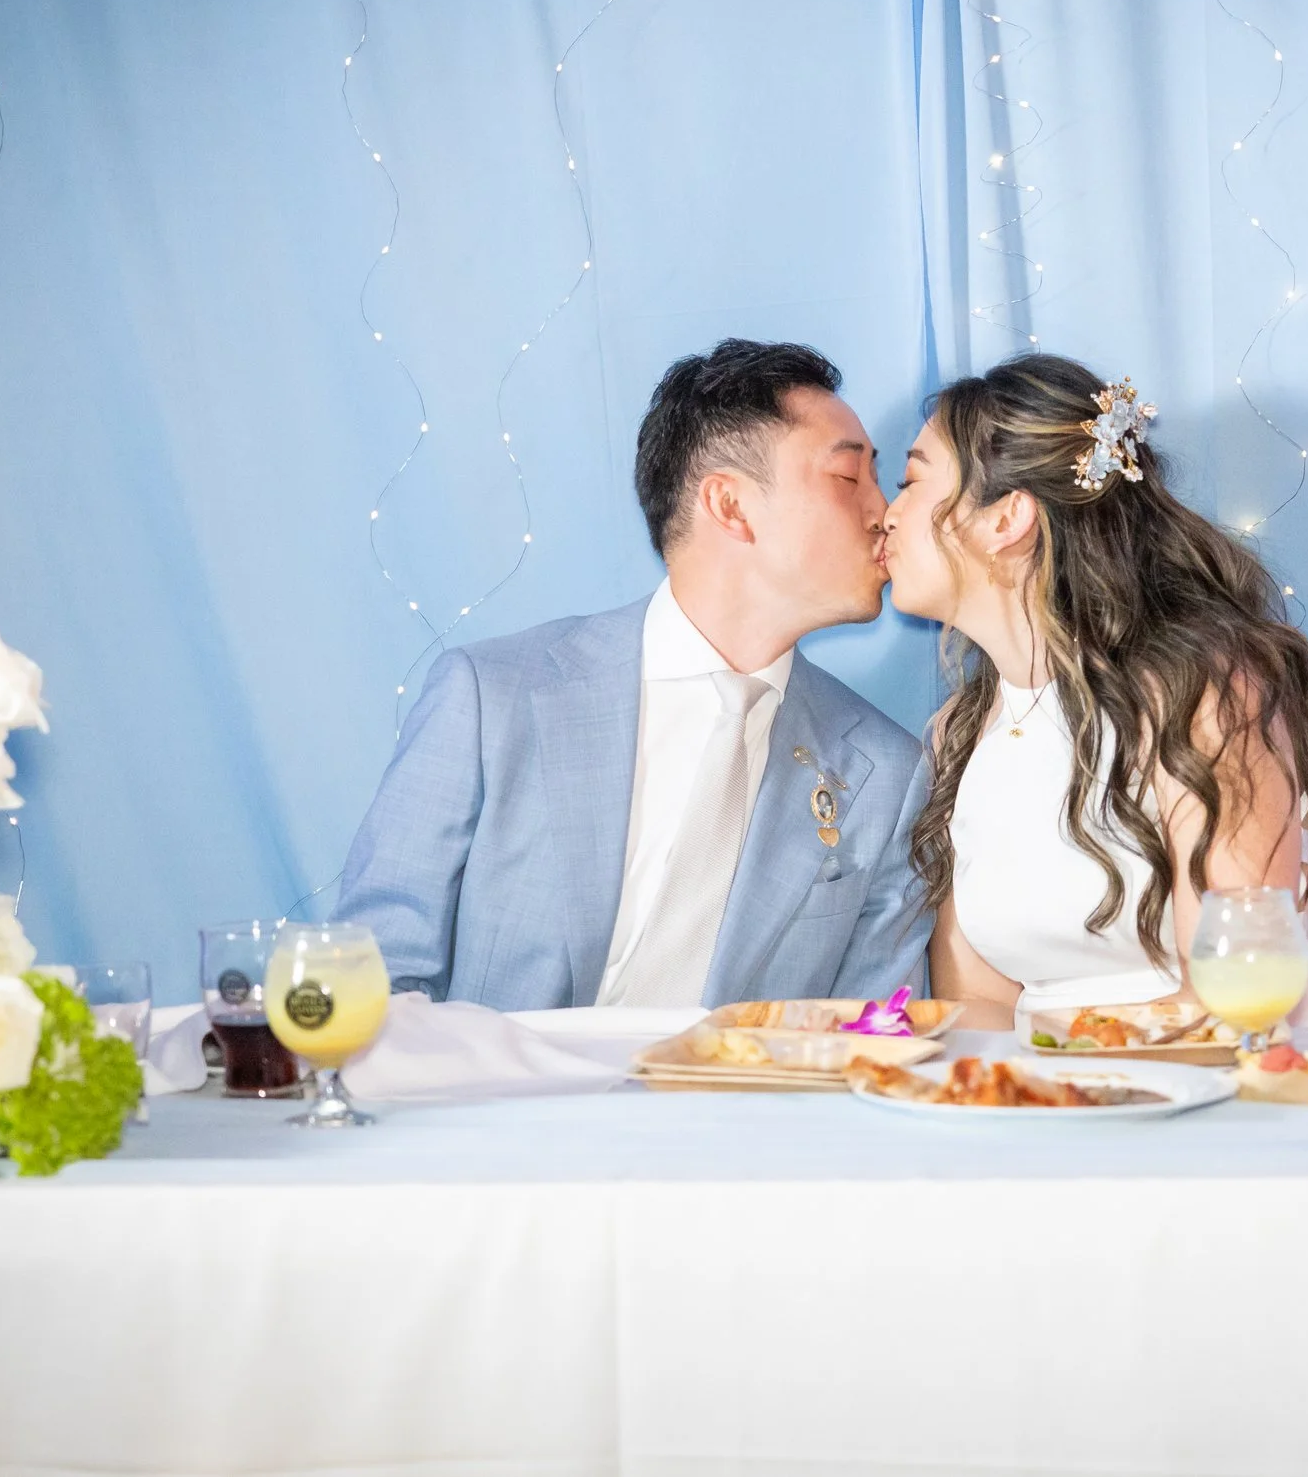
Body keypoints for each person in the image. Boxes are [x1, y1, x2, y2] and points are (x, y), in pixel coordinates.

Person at [332, 339, 932, 1010]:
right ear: (730, 505)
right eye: (850, 479)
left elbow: (875, 1031)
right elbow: (372, 974)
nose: (886, 512)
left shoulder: (888, 773)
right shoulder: (491, 699)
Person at [879, 353, 1308, 1029]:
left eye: (909, 482)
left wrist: (1076, 1083)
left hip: (1214, 1090)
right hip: (1043, 1101)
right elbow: (980, 1003)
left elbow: (1229, 994)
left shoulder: (1205, 693)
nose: (886, 515)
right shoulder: (959, 730)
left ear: (1006, 519)